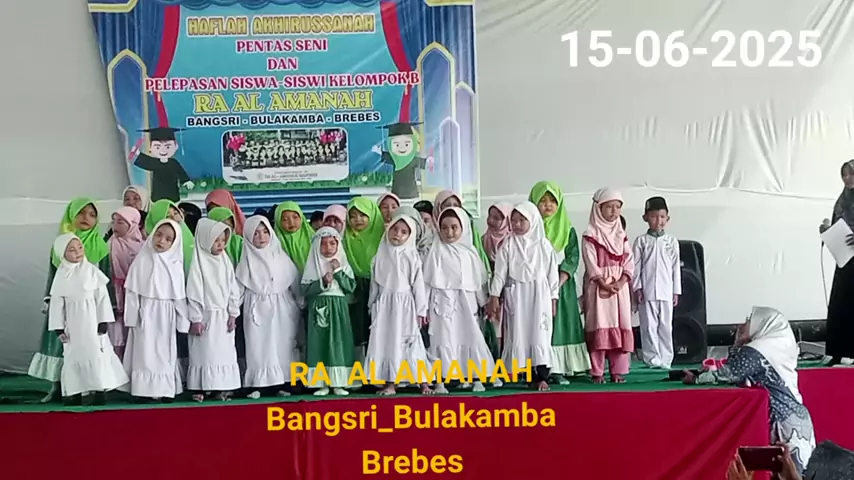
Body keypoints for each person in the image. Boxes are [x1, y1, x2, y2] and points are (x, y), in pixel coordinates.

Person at [685, 306, 815, 473]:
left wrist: (695, 379)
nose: (743, 324)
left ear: (762, 323)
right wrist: (738, 344)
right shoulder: (778, 345)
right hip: (797, 417)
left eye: (749, 320)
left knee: (787, 472)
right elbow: (737, 370)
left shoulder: (759, 349)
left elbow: (729, 373)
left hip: (783, 421)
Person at [29, 198, 113, 403]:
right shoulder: (62, 244)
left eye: (92, 215)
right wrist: (50, 301)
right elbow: (54, 276)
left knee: (91, 347)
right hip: (64, 305)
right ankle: (58, 386)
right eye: (81, 213)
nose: (86, 218)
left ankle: (92, 388)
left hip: (89, 309)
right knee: (62, 344)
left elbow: (105, 278)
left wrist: (107, 310)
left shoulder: (100, 246)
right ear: (71, 215)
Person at [48, 233, 128, 405]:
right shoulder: (61, 276)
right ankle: (74, 393)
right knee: (73, 357)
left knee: (96, 355)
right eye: (72, 250)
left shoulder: (92, 272)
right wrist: (58, 328)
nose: (78, 252)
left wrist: (103, 321)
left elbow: (102, 298)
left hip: (92, 323)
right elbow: (57, 305)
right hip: (73, 326)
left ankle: (99, 392)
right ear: (62, 254)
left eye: (80, 247)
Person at [487, 202, 558, 391]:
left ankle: (541, 376)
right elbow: (500, 273)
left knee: (539, 335)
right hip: (517, 296)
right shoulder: (508, 244)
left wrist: (553, 298)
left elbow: (552, 274)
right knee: (519, 334)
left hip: (539, 297)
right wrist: (494, 295)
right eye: (514, 220)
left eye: (522, 220)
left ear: (532, 220)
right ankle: (527, 376)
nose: (517, 224)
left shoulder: (543, 245)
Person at [423, 207, 495, 394]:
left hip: (466, 303)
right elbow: (427, 282)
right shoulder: (434, 252)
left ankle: (476, 378)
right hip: (441, 303)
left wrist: (484, 303)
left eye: (454, 227)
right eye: (444, 227)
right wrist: (423, 308)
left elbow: (478, 281)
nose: (449, 232)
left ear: (463, 228)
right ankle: (440, 381)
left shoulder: (469, 253)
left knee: (470, 336)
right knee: (442, 339)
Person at [365, 213, 433, 395]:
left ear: (410, 236)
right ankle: (391, 383)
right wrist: (372, 306)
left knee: (411, 342)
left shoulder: (412, 256)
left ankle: (423, 383)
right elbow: (375, 285)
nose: (397, 234)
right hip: (384, 307)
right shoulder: (379, 257)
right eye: (395, 229)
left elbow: (418, 285)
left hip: (406, 307)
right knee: (389, 343)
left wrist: (421, 310)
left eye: (404, 232)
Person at [121, 219, 189, 402]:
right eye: (158, 235)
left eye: (168, 238)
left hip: (166, 315)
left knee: (165, 352)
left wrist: (183, 323)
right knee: (144, 352)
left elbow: (179, 297)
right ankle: (143, 390)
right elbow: (133, 292)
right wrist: (131, 318)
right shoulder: (142, 260)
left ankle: (165, 389)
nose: (161, 241)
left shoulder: (175, 265)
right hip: (145, 313)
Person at [529, 181, 591, 381]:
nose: (548, 205)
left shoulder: (567, 229)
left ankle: (564, 366)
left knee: (562, 323)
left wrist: (561, 278)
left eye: (552, 201)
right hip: (537, 284)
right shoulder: (529, 229)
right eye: (542, 200)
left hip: (563, 286)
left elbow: (573, 256)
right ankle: (543, 368)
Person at [236, 216, 303, 398]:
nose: (262, 237)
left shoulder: (281, 258)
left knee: (283, 345)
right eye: (256, 233)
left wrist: (300, 303)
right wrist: (232, 311)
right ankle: (259, 384)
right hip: (256, 310)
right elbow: (238, 289)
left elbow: (294, 282)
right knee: (259, 347)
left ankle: (285, 382)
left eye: (265, 232)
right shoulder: (246, 262)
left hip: (283, 310)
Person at [186, 219, 242, 402]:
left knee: (223, 353)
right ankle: (201, 388)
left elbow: (233, 288)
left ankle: (221, 387)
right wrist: (196, 318)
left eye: (223, 240)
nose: (220, 245)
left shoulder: (225, 260)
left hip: (223, 316)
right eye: (215, 240)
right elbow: (194, 292)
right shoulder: (198, 262)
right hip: (206, 317)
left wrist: (233, 313)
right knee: (204, 354)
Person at [582, 188, 634, 384]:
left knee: (620, 324)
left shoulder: (621, 234)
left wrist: (621, 282)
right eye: (609, 207)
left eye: (617, 207)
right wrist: (603, 282)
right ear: (598, 208)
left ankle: (617, 371)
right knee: (600, 324)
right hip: (598, 287)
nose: (614, 211)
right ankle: (597, 372)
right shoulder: (590, 234)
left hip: (619, 287)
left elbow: (629, 259)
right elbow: (590, 261)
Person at [301, 227, 357, 396]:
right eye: (323, 244)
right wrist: (323, 282)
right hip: (319, 308)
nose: (328, 248)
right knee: (320, 344)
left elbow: (350, 287)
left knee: (339, 342)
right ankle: (321, 383)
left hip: (338, 308)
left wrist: (338, 271)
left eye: (332, 243)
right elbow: (305, 289)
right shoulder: (312, 265)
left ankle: (339, 382)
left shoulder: (343, 263)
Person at [632, 196, 681, 370]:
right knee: (649, 326)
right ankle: (652, 358)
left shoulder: (671, 242)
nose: (658, 221)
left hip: (666, 291)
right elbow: (635, 267)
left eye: (662, 216)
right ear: (645, 218)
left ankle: (666, 358)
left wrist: (676, 291)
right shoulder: (641, 241)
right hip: (647, 291)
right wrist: (637, 288)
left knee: (666, 326)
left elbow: (676, 268)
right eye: (653, 216)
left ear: (667, 218)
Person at [343, 197, 385, 360]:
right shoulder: (344, 238)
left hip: (380, 287)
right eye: (353, 216)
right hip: (354, 289)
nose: (358, 220)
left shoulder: (384, 237)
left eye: (362, 215)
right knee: (358, 331)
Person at [821, 160, 854, 365]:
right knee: (839, 306)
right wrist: (827, 231)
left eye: (851, 174)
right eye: (844, 174)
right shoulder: (843, 199)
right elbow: (838, 224)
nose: (847, 178)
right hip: (844, 261)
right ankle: (836, 351)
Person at [107, 207, 145, 359]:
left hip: (134, 293)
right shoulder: (109, 244)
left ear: (133, 224)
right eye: (113, 221)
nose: (115, 225)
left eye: (121, 222)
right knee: (116, 333)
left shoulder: (142, 247)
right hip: (115, 294)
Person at [433, 190, 491, 274]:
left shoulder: (469, 249)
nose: (449, 232)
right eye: (447, 205)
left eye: (456, 205)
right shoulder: (434, 245)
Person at [133, 126, 193, 202]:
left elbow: (180, 172)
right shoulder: (154, 163)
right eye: (157, 147)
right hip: (158, 193)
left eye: (168, 147)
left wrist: (186, 181)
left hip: (172, 192)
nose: (163, 150)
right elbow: (146, 161)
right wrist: (137, 153)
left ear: (176, 146)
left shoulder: (173, 163)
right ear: (150, 148)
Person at [146, 199, 195, 272]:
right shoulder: (147, 254)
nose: (174, 218)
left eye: (175, 213)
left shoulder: (188, 238)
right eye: (168, 216)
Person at [272, 201, 314, 273]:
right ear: (278, 221)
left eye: (295, 217)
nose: (291, 222)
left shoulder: (314, 238)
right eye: (285, 219)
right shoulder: (273, 243)